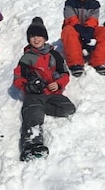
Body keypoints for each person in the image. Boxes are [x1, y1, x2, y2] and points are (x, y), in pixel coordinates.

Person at [13, 17, 76, 161]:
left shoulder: (54, 55)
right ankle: (31, 145)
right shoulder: (26, 57)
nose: (36, 39)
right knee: (33, 114)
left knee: (69, 109)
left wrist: (58, 83)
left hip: (52, 92)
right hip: (34, 94)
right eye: (32, 36)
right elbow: (17, 78)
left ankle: (41, 108)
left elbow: (65, 73)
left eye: (39, 36)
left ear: (45, 38)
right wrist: (28, 86)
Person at [60, 0, 105, 77]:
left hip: (89, 30)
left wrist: (89, 30)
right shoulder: (69, 4)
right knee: (68, 30)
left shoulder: (94, 5)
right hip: (74, 30)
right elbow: (71, 20)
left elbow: (93, 20)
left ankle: (99, 61)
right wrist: (81, 30)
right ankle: (76, 63)